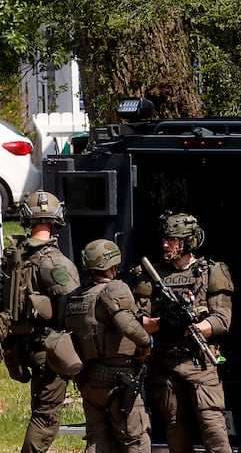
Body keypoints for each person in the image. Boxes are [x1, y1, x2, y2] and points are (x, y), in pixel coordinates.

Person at [133, 212, 234, 453]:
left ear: (188, 242)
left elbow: (222, 320)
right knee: (175, 429)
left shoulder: (211, 272)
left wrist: (190, 328)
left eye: (172, 240)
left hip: (200, 364)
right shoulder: (151, 275)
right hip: (166, 365)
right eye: (165, 239)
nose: (166, 244)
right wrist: (163, 323)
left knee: (213, 430)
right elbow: (138, 321)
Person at [1, 191, 80, 453]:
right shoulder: (55, 263)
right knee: (45, 417)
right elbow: (73, 307)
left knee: (39, 409)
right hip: (47, 349)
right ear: (57, 218)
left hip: (21, 345)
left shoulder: (15, 257)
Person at [62, 239, 152, 452]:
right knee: (136, 441)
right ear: (112, 266)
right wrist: (147, 344)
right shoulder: (113, 289)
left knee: (97, 440)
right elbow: (127, 325)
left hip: (90, 382)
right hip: (119, 382)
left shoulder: (74, 298)